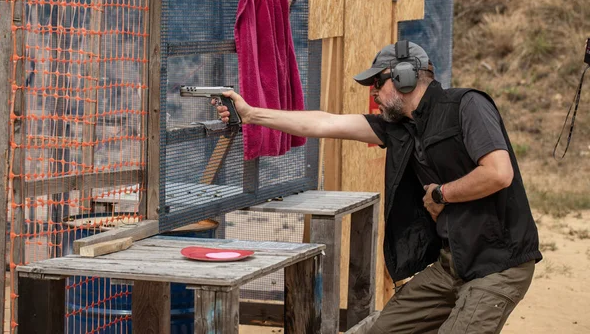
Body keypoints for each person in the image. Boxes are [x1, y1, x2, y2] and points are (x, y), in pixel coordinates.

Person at [214, 40, 542, 333]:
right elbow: (324, 123)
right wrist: (251, 115)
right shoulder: (400, 128)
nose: (373, 93)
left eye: (377, 83)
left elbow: (499, 173)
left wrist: (443, 193)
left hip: (499, 265)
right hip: (452, 265)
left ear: (405, 76)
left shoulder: (467, 106)